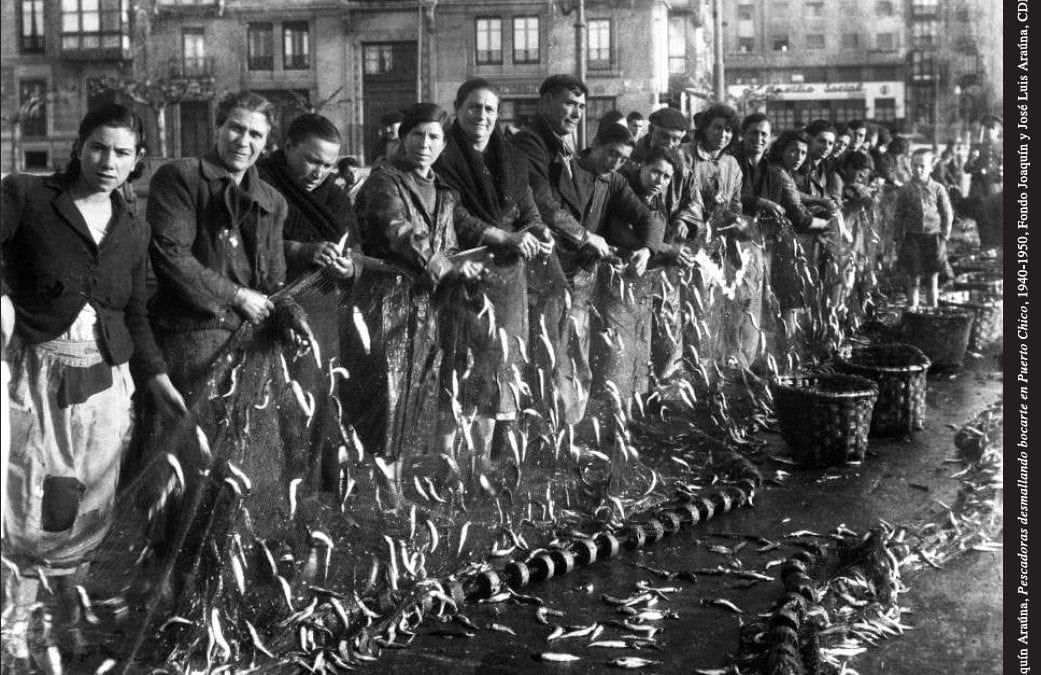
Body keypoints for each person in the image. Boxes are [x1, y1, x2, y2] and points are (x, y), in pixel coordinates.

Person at [1, 104, 186, 667]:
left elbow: (133, 313)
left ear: (137, 161)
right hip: (37, 373)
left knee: (90, 499)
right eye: (99, 148)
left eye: (122, 153)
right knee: (34, 495)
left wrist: (155, 377)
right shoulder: (27, 197)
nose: (109, 162)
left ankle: (65, 619)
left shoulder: (133, 226)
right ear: (80, 146)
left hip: (107, 381)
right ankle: (14, 626)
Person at [350, 103, 485, 504]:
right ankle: (378, 494)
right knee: (386, 396)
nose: (425, 144)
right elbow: (399, 233)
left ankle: (395, 487)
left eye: (434, 137)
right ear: (402, 137)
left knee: (416, 394)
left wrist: (465, 269)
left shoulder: (444, 191)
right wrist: (446, 267)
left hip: (426, 308)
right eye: (417, 135)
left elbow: (451, 242)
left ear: (444, 144)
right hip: (384, 304)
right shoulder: (383, 183)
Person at [433, 78, 553, 479]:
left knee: (500, 364)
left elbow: (528, 208)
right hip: (467, 274)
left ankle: (481, 460)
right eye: (473, 108)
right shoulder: (443, 155)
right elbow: (454, 215)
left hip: (509, 277)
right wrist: (503, 235)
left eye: (489, 109)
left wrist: (540, 233)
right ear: (457, 108)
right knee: (461, 363)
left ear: (497, 115)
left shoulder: (512, 158)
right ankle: (449, 464)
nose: (481, 116)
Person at [256, 113, 357, 496]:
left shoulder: (335, 195)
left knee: (318, 403)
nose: (319, 172)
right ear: (288, 147)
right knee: (282, 406)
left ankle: (313, 494)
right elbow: (253, 245)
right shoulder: (263, 182)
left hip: (323, 312)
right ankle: (278, 495)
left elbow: (356, 250)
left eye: (329, 164)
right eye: (312, 159)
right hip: (276, 307)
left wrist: (348, 268)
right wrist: (300, 249)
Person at [512, 74, 609, 427]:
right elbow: (543, 202)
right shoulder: (530, 143)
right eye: (569, 103)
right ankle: (543, 428)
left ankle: (558, 426)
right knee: (546, 346)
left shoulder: (561, 145)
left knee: (565, 345)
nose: (576, 113)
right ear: (545, 102)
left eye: (581, 107)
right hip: (541, 262)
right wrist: (585, 236)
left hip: (564, 265)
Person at [596, 145, 696, 407]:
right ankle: (616, 420)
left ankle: (633, 414)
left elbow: (656, 233)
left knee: (641, 346)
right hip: (617, 276)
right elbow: (622, 235)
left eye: (666, 177)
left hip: (641, 279)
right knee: (619, 351)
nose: (659, 181)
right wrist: (668, 249)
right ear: (642, 166)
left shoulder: (657, 199)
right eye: (655, 172)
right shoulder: (624, 192)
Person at [894, 148, 953, 308]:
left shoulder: (938, 188)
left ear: (930, 168)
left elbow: (947, 213)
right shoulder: (905, 189)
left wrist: (944, 236)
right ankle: (913, 314)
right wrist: (898, 238)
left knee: (932, 280)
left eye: (922, 166)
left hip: (933, 239)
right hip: (913, 239)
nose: (918, 169)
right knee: (914, 279)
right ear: (910, 166)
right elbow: (899, 215)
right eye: (914, 165)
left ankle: (932, 315)